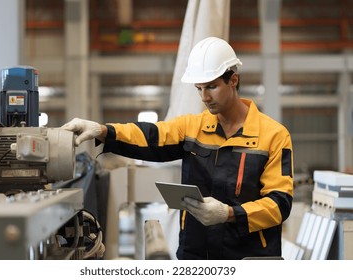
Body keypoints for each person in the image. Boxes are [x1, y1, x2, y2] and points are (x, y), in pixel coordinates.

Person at [61, 36, 294, 260]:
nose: (204, 96)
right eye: (199, 88)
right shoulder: (193, 127)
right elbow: (151, 136)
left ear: (233, 80)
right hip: (196, 257)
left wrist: (229, 214)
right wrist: (104, 131)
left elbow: (279, 204)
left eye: (211, 87)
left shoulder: (273, 135)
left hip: (248, 259)